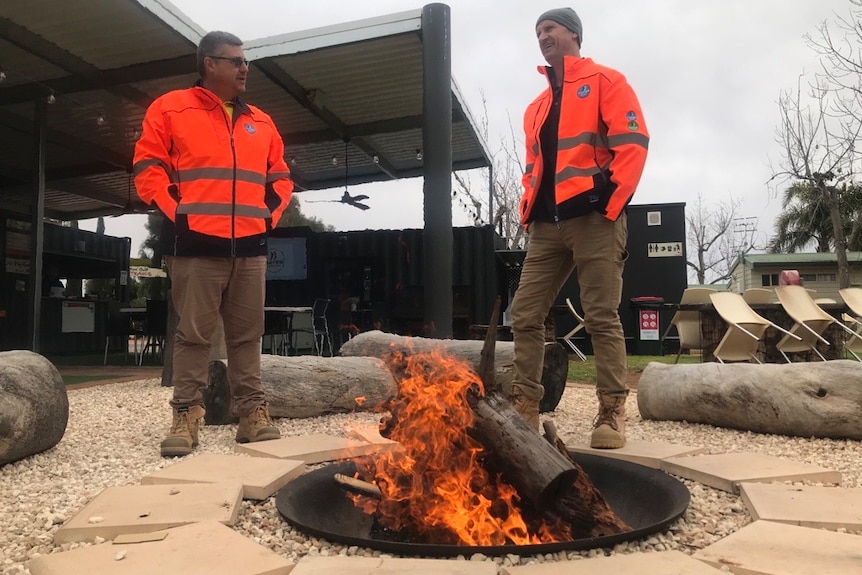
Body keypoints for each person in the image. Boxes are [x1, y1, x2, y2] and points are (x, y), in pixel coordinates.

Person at [134, 31, 294, 457]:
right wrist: (181, 215)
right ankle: (186, 416)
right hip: (194, 244)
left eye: (246, 62)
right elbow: (148, 167)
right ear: (209, 63)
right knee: (192, 336)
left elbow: (280, 178)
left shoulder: (260, 121)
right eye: (236, 61)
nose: (245, 69)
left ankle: (252, 415)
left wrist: (267, 218)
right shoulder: (169, 108)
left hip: (250, 246)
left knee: (247, 335)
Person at [509, 8, 649, 448]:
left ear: (573, 33)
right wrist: (526, 211)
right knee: (525, 313)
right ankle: (524, 408)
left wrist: (610, 204)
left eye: (548, 29)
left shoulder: (607, 81)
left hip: (594, 219)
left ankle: (611, 413)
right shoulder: (536, 105)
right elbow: (532, 168)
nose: (541, 37)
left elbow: (634, 143)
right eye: (537, 32)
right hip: (547, 226)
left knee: (601, 316)